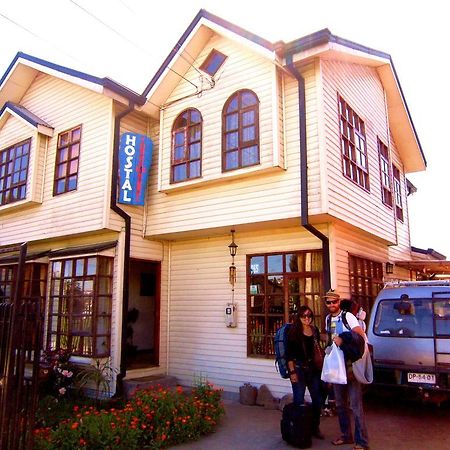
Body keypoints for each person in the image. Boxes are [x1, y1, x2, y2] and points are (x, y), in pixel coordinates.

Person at [324, 290, 369, 450]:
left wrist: (343, 339)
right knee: (341, 405)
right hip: (337, 368)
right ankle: (346, 435)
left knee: (355, 406)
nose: (331, 305)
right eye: (328, 302)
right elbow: (329, 341)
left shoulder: (348, 317)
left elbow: (360, 336)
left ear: (338, 302)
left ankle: (362, 441)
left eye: (334, 302)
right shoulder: (328, 319)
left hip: (351, 366)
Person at [285, 305, 324, 440]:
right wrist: (292, 372)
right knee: (299, 400)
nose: (307, 319)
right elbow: (289, 355)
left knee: (317, 400)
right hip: (299, 369)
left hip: (313, 369)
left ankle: (314, 427)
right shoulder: (293, 332)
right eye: (304, 316)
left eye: (309, 316)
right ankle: (297, 429)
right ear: (299, 317)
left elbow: (316, 349)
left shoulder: (314, 331)